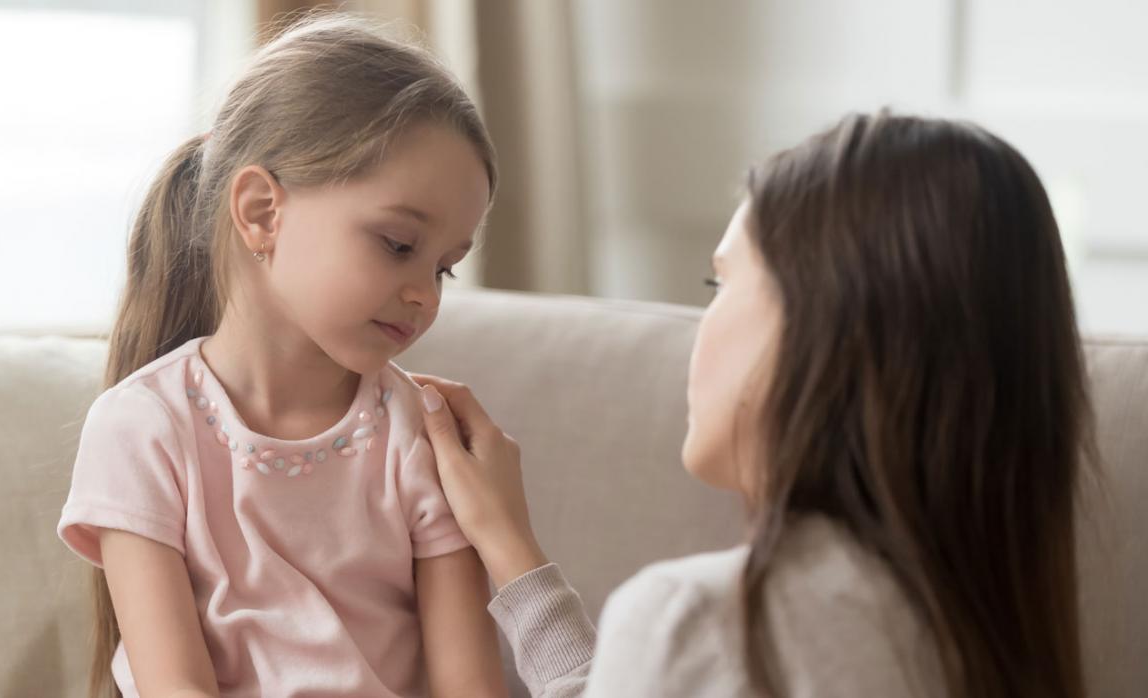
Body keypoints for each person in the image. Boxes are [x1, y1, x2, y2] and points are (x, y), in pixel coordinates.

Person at [415, 112, 1091, 698]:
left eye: (722, 282)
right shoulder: (983, 630)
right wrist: (510, 548)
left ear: (825, 325)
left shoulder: (702, 620)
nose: (702, 324)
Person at [56, 14, 507, 698]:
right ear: (263, 212)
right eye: (397, 244)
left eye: (445, 268)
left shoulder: (419, 431)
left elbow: (469, 689)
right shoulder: (140, 429)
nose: (424, 296)